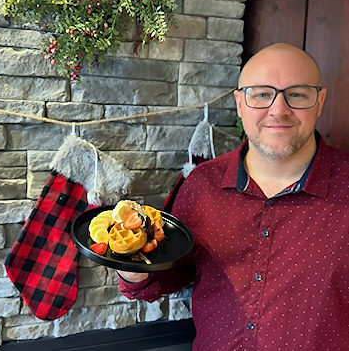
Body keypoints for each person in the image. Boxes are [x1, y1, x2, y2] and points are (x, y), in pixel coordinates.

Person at [117, 43, 349, 351]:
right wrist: (134, 270)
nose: (278, 110)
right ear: (239, 103)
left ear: (319, 101)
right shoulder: (201, 185)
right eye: (261, 94)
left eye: (297, 94)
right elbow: (171, 276)